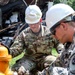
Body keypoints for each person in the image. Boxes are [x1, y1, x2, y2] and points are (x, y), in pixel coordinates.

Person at [9, 4, 59, 75]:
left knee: (56, 64)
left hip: (45, 58)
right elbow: (16, 49)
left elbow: (59, 43)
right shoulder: (24, 34)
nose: (32, 25)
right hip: (29, 59)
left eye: (35, 23)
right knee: (18, 71)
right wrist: (6, 51)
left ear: (40, 20)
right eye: (30, 23)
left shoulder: (49, 32)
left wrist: (61, 51)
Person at [46, 3, 75, 75]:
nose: (53, 36)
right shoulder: (69, 45)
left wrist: (53, 71)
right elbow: (56, 64)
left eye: (53, 32)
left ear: (63, 26)